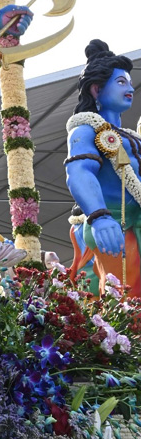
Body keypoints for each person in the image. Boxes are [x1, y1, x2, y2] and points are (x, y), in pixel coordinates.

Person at [65, 39, 140, 295]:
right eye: (121, 82)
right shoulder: (85, 128)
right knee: (129, 306)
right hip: (116, 226)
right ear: (96, 90)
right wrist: (99, 217)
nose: (130, 88)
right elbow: (79, 171)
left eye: (130, 82)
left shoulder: (131, 136)